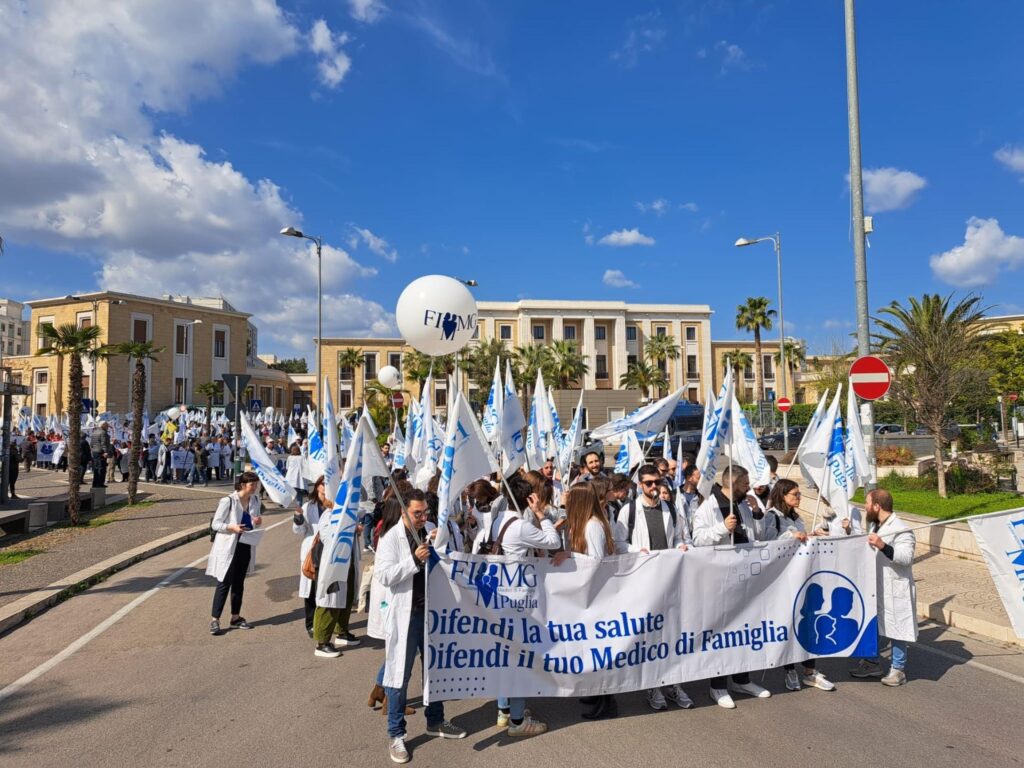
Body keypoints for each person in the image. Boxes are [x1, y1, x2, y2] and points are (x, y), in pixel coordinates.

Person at [377, 488, 465, 763]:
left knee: (435, 670)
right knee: (398, 677)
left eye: (425, 512)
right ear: (404, 512)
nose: (423, 517)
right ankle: (396, 734)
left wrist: (442, 541)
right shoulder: (390, 538)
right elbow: (384, 576)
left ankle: (436, 721)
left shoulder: (428, 529)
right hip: (407, 614)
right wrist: (414, 560)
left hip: (432, 612)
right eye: (417, 513)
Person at [691, 465, 771, 708]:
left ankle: (742, 678)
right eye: (745, 482)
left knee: (745, 629)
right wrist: (722, 528)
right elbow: (697, 539)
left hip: (745, 575)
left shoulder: (745, 503)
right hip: (719, 580)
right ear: (732, 482)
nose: (749, 486)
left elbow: (756, 535)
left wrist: (757, 514)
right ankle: (718, 686)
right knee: (722, 633)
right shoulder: (709, 506)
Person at [617, 464, 693, 711]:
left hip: (669, 581)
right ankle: (653, 685)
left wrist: (682, 547)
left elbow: (682, 536)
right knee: (650, 636)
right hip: (643, 583)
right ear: (640, 484)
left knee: (672, 633)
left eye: (657, 482)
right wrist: (636, 552)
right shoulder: (628, 511)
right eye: (648, 483)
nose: (653, 487)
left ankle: (674, 683)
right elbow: (619, 543)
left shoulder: (671, 507)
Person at [764, 479, 837, 692]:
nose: (799, 497)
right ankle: (789, 670)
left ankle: (810, 671)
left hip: (802, 578)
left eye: (799, 494)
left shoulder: (796, 517)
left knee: (807, 623)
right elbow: (767, 542)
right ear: (782, 495)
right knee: (789, 623)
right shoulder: (772, 517)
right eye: (795, 494)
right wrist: (790, 536)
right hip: (783, 581)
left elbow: (802, 538)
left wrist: (811, 535)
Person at [563, 484, 620, 720]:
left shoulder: (592, 526)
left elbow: (596, 562)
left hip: (597, 597)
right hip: (589, 596)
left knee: (598, 650)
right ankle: (597, 695)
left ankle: (604, 702)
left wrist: (570, 556)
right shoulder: (586, 524)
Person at [850, 488, 917, 686]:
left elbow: (906, 558)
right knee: (877, 626)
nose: (865, 507)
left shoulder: (902, 529)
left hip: (895, 588)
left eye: (867, 503)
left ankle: (898, 669)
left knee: (897, 628)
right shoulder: (876, 526)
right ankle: (872, 662)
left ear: (877, 506)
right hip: (876, 586)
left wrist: (882, 546)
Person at [310, 479, 362, 657]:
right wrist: (347, 529)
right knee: (329, 602)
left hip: (348, 562)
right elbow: (327, 537)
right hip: (334, 564)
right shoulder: (328, 515)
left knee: (346, 599)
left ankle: (342, 631)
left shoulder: (345, 514)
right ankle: (322, 642)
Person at [206, 471, 263, 635]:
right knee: (224, 582)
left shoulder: (255, 500)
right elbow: (216, 524)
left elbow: (254, 521)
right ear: (243, 485)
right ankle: (215, 620)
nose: (255, 488)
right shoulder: (228, 501)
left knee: (239, 582)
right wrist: (231, 527)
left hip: (245, 544)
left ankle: (235, 618)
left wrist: (257, 521)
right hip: (228, 546)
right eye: (252, 485)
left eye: (256, 485)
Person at [292, 475, 325, 640]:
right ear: (317, 486)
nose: (326, 487)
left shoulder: (335, 506)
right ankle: (311, 624)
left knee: (326, 589)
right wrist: (298, 518)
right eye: (323, 484)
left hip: (329, 551)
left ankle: (325, 623)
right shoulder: (308, 506)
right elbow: (299, 531)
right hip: (312, 551)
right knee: (311, 590)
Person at [89, 421, 112, 488]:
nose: (108, 427)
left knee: (96, 468)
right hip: (100, 452)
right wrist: (105, 452)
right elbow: (103, 443)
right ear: (103, 426)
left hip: (95, 452)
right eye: (107, 426)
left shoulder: (94, 432)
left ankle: (95, 483)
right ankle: (100, 483)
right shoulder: (103, 433)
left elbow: (91, 443)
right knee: (101, 468)